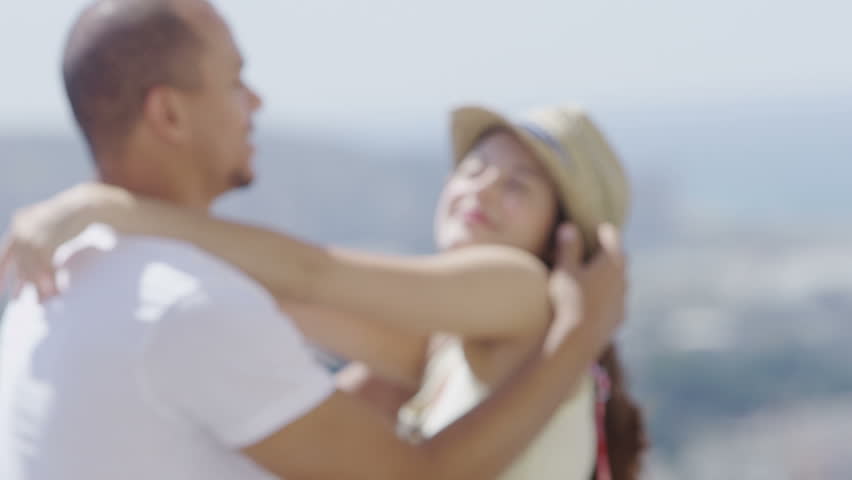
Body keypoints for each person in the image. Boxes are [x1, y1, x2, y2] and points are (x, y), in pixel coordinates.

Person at [0, 1, 626, 479]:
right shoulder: (442, 343)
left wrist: (102, 207)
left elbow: (307, 274)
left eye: (519, 185)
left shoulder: (519, 287)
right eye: (474, 166)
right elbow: (278, 295)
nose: (482, 189)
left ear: (562, 231)